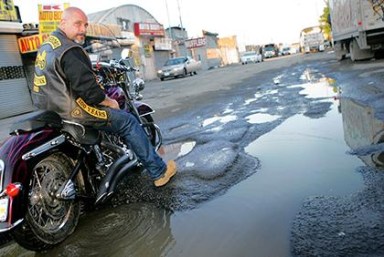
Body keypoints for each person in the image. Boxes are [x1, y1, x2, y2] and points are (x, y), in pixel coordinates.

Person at [32, 7, 176, 187]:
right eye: (77, 24)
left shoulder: (48, 46)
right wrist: (109, 101)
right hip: (74, 111)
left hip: (50, 110)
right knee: (128, 122)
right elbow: (90, 91)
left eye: (85, 25)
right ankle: (159, 172)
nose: (83, 29)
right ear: (63, 23)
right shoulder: (70, 49)